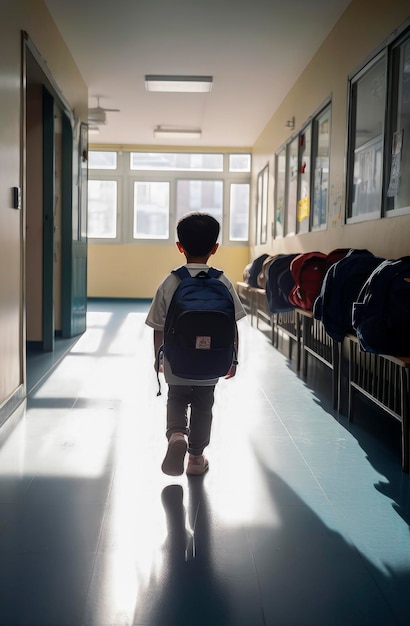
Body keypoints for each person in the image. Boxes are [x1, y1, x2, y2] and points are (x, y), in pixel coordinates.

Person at [145, 212, 246, 476]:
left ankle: (177, 434)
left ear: (180, 247)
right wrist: (233, 358)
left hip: (177, 360)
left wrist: (160, 358)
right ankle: (196, 458)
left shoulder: (170, 282)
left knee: (176, 398)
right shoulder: (222, 281)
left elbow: (158, 326)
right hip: (212, 360)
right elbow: (232, 325)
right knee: (204, 406)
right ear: (215, 248)